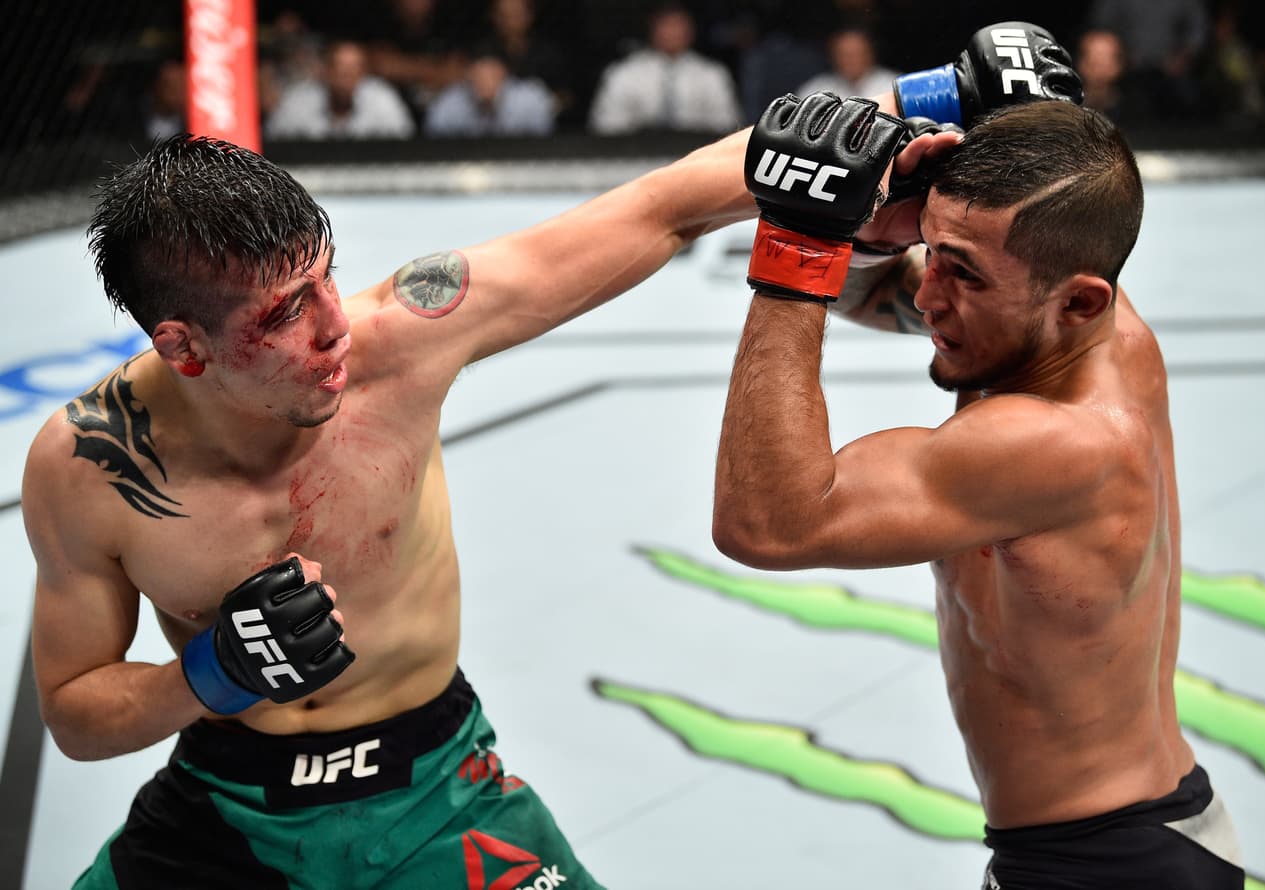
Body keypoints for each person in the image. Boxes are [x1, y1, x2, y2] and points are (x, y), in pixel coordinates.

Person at [20, 20, 1079, 888]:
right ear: (179, 344)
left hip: (437, 789)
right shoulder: (85, 466)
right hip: (221, 817)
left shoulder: (402, 336)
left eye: (325, 279)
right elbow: (75, 713)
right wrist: (207, 671)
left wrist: (930, 98)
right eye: (282, 315)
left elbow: (659, 208)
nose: (333, 324)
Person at [713, 79, 1246, 890]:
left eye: (961, 272)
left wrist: (799, 245)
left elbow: (767, 522)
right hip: (1127, 837)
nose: (927, 292)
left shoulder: (1053, 445)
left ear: (1078, 301)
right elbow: (890, 294)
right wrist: (870, 234)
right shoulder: (1094, 324)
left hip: (1103, 866)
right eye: (930, 252)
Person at [587, 3, 741, 135]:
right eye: (666, 25)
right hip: (634, 158)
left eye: (678, 25)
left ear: (690, 30)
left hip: (699, 160)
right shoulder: (623, 74)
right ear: (653, 29)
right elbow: (605, 128)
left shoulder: (712, 74)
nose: (672, 32)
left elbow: (727, 128)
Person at [265, 39, 416, 139]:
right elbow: (271, 146)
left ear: (363, 73)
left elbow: (405, 144)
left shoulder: (382, 99)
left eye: (353, 69)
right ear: (326, 71)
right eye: (339, 69)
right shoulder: (298, 101)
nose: (346, 77)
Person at [425, 47, 556, 137]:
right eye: (479, 76)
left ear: (504, 74)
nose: (485, 83)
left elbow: (546, 141)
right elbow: (433, 143)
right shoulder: (449, 103)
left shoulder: (531, 99)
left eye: (492, 75)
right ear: (468, 76)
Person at [794, 23, 899, 103]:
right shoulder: (814, 91)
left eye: (856, 53)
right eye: (844, 54)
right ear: (832, 56)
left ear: (871, 54)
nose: (850, 60)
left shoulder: (895, 87)